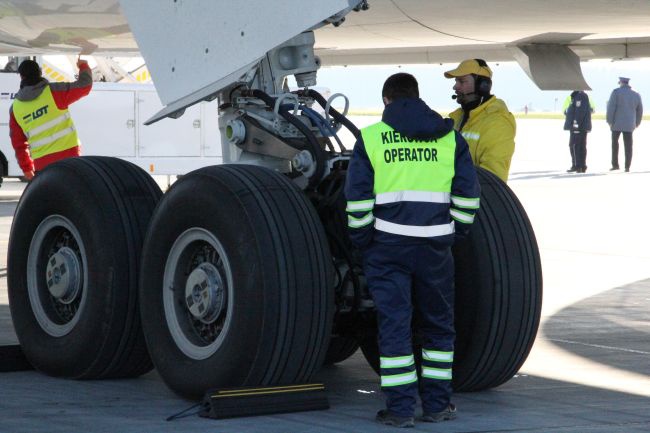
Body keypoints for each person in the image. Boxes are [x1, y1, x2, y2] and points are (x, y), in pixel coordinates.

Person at [344, 72, 480, 428]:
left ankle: (401, 410)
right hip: (435, 247)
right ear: (418, 97)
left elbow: (358, 199)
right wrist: (454, 233)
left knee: (395, 326)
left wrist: (362, 242)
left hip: (387, 248)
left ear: (387, 100)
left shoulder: (372, 138)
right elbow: (468, 195)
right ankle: (437, 405)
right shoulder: (450, 138)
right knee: (438, 327)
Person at [9, 57, 92, 180]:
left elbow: (18, 143)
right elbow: (85, 85)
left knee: (51, 197)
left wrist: (26, 168)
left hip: (42, 164)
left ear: (21, 77)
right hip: (69, 158)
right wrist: (83, 65)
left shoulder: (15, 108)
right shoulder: (54, 92)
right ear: (40, 73)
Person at [444, 59, 516, 182]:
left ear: (482, 86)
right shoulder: (457, 118)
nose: (455, 86)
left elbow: (492, 178)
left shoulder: (497, 123)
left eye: (462, 81)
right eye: (456, 81)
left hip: (475, 199)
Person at [606, 77, 643, 172]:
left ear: (621, 83)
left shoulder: (616, 92)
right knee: (628, 146)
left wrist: (609, 121)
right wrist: (637, 123)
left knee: (615, 144)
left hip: (616, 123)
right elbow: (640, 110)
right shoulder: (636, 94)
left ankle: (615, 165)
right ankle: (627, 166)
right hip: (629, 124)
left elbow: (611, 108)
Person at [563, 90, 593, 173]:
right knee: (581, 146)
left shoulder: (580, 96)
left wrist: (576, 125)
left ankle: (577, 165)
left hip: (578, 127)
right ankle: (581, 166)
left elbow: (579, 112)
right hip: (581, 127)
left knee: (574, 145)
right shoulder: (578, 95)